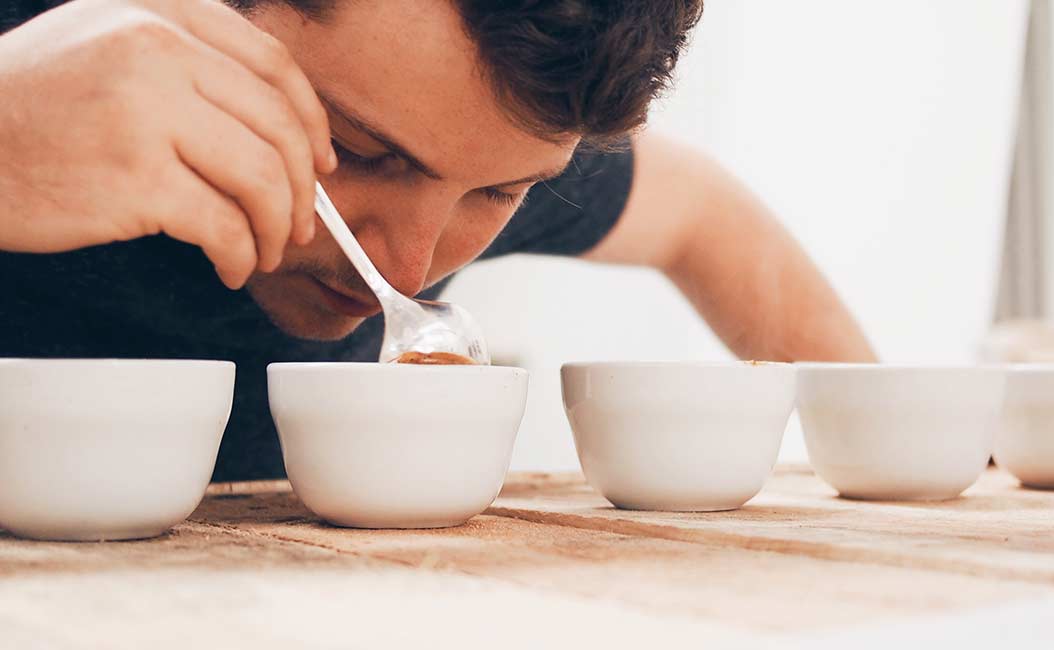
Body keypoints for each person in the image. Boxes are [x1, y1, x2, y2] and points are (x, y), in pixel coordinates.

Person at [0, 0, 875, 481]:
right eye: (360, 150)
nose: (408, 269)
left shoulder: (471, 133)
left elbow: (702, 213)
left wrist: (887, 451)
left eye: (497, 193)